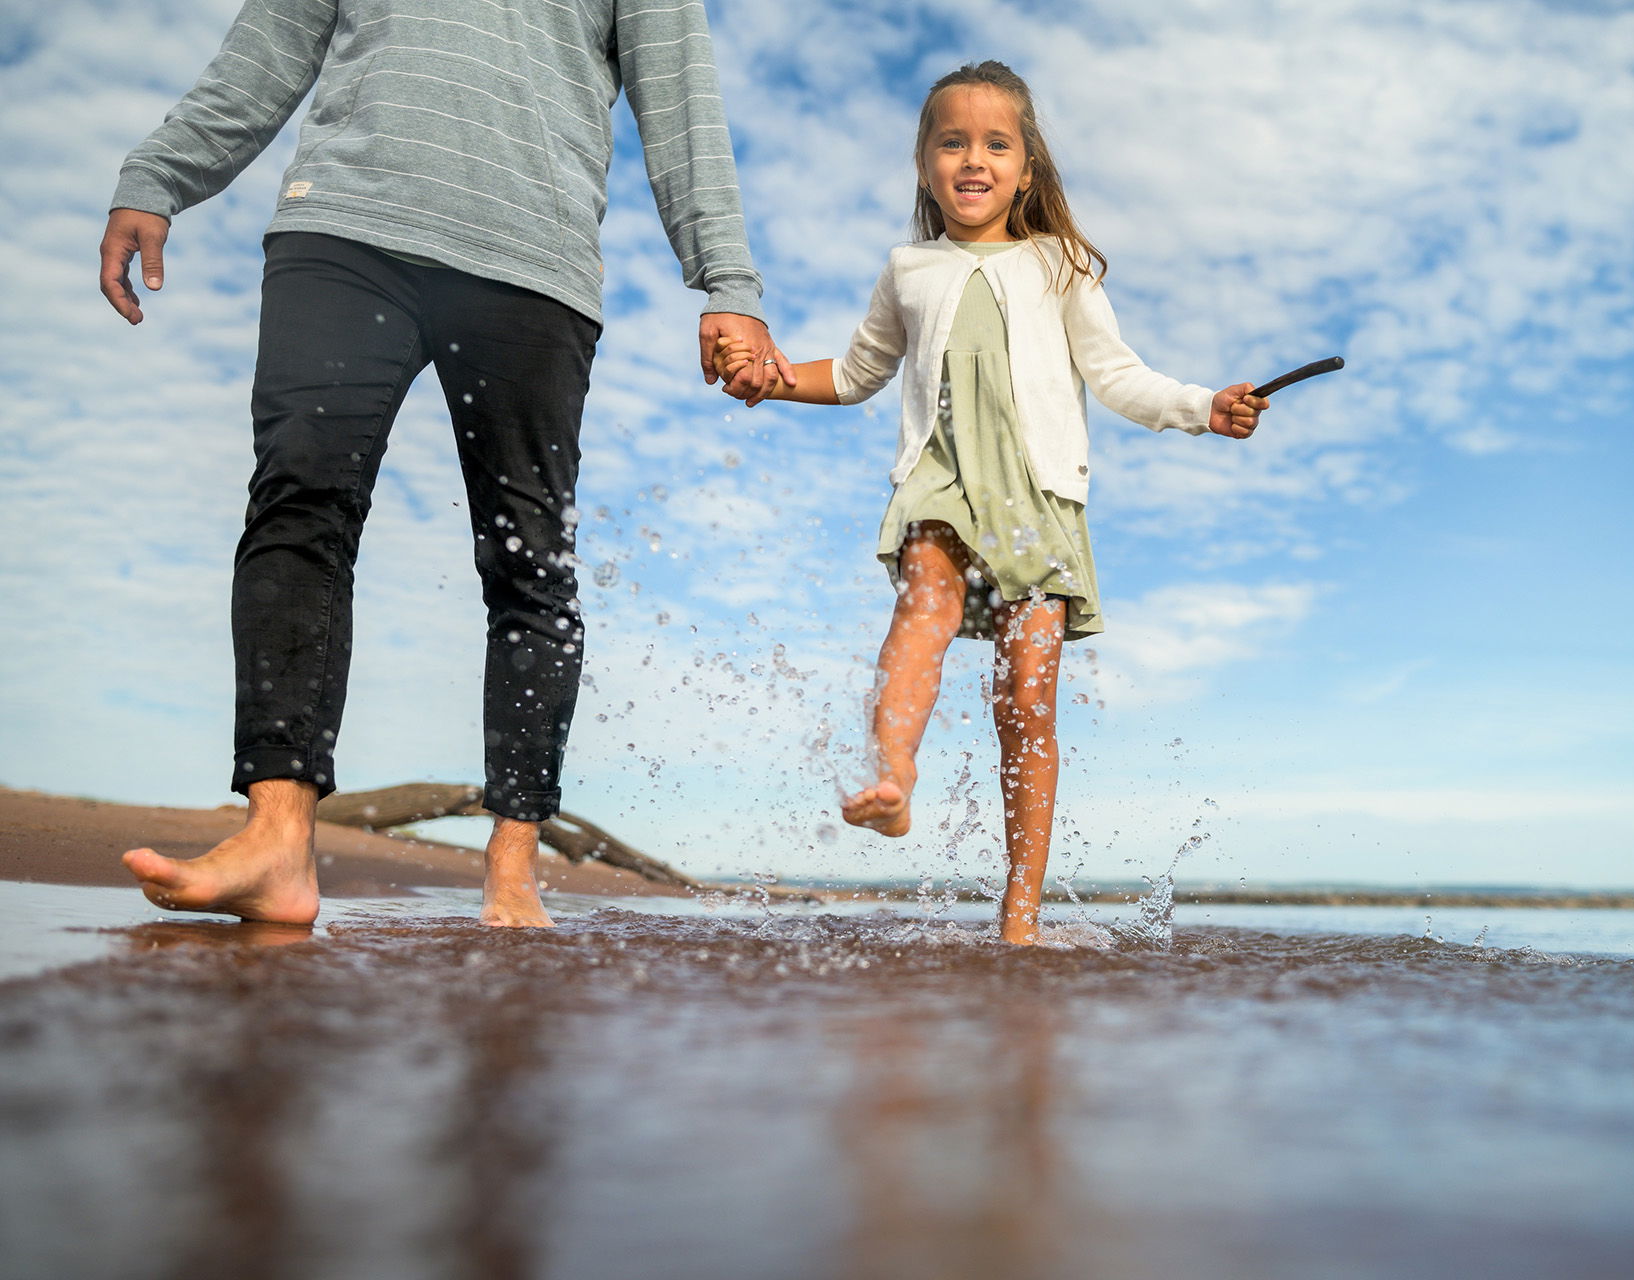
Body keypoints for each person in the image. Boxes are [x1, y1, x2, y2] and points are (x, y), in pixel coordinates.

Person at [101, 0, 792, 929]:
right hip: (343, 230)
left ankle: (512, 868)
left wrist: (728, 282)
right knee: (298, 501)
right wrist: (158, 174)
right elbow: (267, 49)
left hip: (531, 263)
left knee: (528, 565)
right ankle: (276, 839)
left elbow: (681, 102)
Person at [715, 61, 1266, 944]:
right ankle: (892, 781)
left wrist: (1204, 408)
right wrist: (774, 380)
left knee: (1027, 698)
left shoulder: (1060, 265)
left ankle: (1020, 917)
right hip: (940, 477)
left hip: (1038, 492)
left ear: (1027, 167)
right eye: (953, 142)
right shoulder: (909, 268)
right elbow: (858, 374)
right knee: (923, 608)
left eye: (995, 143)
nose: (974, 159)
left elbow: (1118, 377)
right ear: (927, 165)